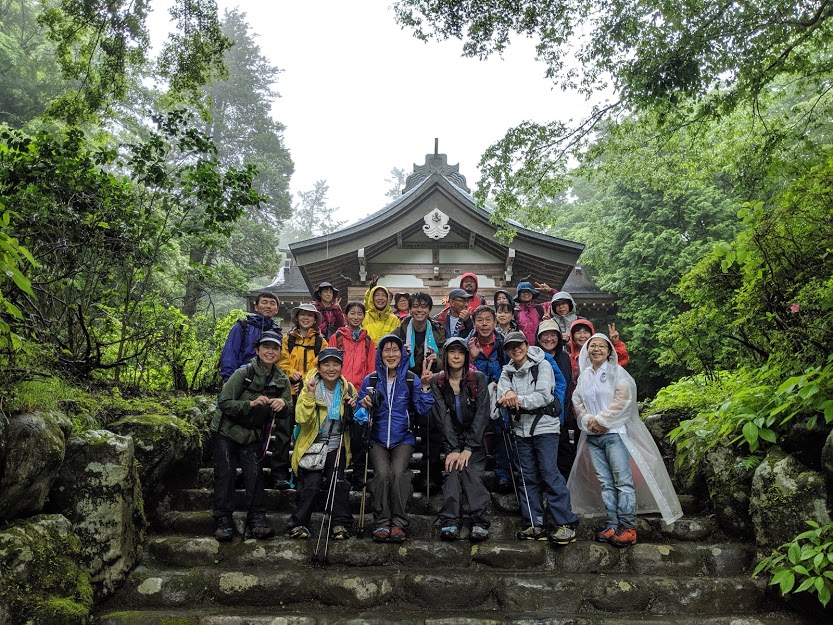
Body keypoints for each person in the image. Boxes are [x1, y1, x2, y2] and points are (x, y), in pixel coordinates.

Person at [568, 333, 682, 546]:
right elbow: (577, 400)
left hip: (615, 434)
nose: (597, 349)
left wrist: (601, 420)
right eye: (593, 346)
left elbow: (624, 400)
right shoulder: (584, 377)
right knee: (605, 482)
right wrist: (588, 420)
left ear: (609, 350)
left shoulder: (617, 372)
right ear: (586, 351)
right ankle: (612, 524)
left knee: (622, 482)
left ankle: (628, 527)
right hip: (593, 436)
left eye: (602, 346)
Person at [497, 331, 579, 545]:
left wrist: (516, 400)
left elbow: (543, 395)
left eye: (519, 345)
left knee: (549, 472)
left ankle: (565, 523)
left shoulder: (542, 365)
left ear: (526, 344)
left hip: (545, 427)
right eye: (511, 347)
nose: (516, 349)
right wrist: (508, 398)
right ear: (507, 350)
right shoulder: (507, 372)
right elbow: (502, 395)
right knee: (526, 476)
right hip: (520, 429)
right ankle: (534, 523)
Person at [212, 331, 292, 541]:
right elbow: (224, 402)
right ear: (257, 350)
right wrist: (250, 404)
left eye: (275, 348)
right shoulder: (243, 373)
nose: (270, 352)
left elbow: (288, 408)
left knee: (255, 476)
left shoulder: (281, 379)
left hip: (253, 434)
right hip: (227, 431)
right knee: (226, 474)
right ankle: (223, 521)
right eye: (266, 347)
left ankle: (258, 520)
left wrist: (282, 404)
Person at [358, 334, 434, 543]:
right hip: (377, 438)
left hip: (404, 438)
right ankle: (382, 522)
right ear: (380, 353)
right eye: (386, 350)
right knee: (382, 474)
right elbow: (359, 413)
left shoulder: (411, 379)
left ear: (402, 354)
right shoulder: (371, 380)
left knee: (399, 473)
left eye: (395, 350)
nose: (391, 354)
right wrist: (363, 405)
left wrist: (426, 387)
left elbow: (422, 409)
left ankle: (398, 523)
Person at [287, 348, 358, 540]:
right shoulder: (309, 386)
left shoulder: (348, 389)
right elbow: (301, 418)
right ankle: (299, 523)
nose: (331, 368)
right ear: (318, 367)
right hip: (312, 444)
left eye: (335, 364)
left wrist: (354, 408)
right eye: (326, 364)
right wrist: (310, 396)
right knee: (311, 483)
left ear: (341, 367)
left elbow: (355, 421)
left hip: (336, 444)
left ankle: (339, 524)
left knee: (338, 481)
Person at [431, 337, 491, 542]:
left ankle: (479, 521)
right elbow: (442, 416)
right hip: (452, 439)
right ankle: (450, 520)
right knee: (452, 471)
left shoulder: (478, 378)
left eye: (461, 352)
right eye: (452, 352)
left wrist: (469, 447)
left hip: (475, 440)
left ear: (466, 356)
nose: (456, 356)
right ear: (445, 355)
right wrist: (454, 448)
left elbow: (483, 414)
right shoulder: (437, 381)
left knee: (471, 472)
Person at [394, 292, 445, 494]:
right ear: (410, 308)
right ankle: (401, 473)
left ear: (429, 309)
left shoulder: (439, 331)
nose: (419, 310)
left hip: (429, 383)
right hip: (405, 384)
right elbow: (388, 358)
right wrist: (401, 355)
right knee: (404, 428)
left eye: (424, 306)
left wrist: (437, 359)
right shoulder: (400, 331)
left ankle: (430, 475)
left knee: (431, 429)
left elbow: (447, 361)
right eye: (416, 306)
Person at [275, 303, 330, 489]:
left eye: (310, 315)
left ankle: (307, 472)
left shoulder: (320, 342)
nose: (306, 318)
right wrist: (292, 373)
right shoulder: (287, 339)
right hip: (289, 391)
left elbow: (322, 363)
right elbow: (281, 361)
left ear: (315, 320)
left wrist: (307, 379)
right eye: (302, 315)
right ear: (297, 317)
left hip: (311, 391)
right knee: (284, 432)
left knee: (310, 432)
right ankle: (280, 474)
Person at [330, 301, 376, 490]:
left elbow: (371, 368)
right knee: (336, 433)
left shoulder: (368, 341)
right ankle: (336, 474)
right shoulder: (337, 337)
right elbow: (329, 363)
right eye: (352, 313)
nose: (356, 317)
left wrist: (366, 393)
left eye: (359, 313)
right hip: (338, 391)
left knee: (359, 437)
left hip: (359, 393)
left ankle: (358, 475)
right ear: (346, 315)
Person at [465, 305, 512, 493]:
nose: (484, 324)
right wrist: (473, 359)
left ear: (495, 322)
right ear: (474, 323)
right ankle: (474, 473)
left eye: (488, 320)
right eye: (480, 320)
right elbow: (461, 371)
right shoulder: (467, 344)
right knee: (475, 432)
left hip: (500, 395)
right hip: (475, 397)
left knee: (502, 430)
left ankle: (504, 475)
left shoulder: (504, 344)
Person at [537, 319, 575, 480]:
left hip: (562, 415)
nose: (549, 339)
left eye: (553, 335)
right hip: (540, 418)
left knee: (564, 455)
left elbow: (565, 388)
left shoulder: (565, 358)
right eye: (545, 335)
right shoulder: (534, 358)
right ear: (538, 338)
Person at [218, 292, 282, 383]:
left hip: (267, 380)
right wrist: (228, 379)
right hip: (242, 377)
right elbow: (230, 351)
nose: (268, 306)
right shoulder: (244, 326)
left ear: (277, 309)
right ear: (256, 307)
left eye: (272, 303)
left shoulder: (277, 332)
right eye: (264, 302)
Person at [568, 319, 629, 383]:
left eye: (585, 332)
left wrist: (616, 343)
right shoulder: (569, 357)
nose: (582, 336)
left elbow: (620, 361)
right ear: (572, 336)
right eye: (578, 333)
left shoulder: (600, 353)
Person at [362, 278, 400, 342]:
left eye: (384, 295)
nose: (380, 298)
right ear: (372, 298)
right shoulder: (363, 317)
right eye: (377, 295)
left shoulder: (394, 320)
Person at [514, 281, 548, 346]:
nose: (526, 293)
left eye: (528, 291)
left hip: (540, 348)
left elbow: (562, 301)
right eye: (523, 292)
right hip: (522, 349)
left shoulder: (541, 308)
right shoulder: (515, 312)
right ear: (519, 295)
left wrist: (549, 290)